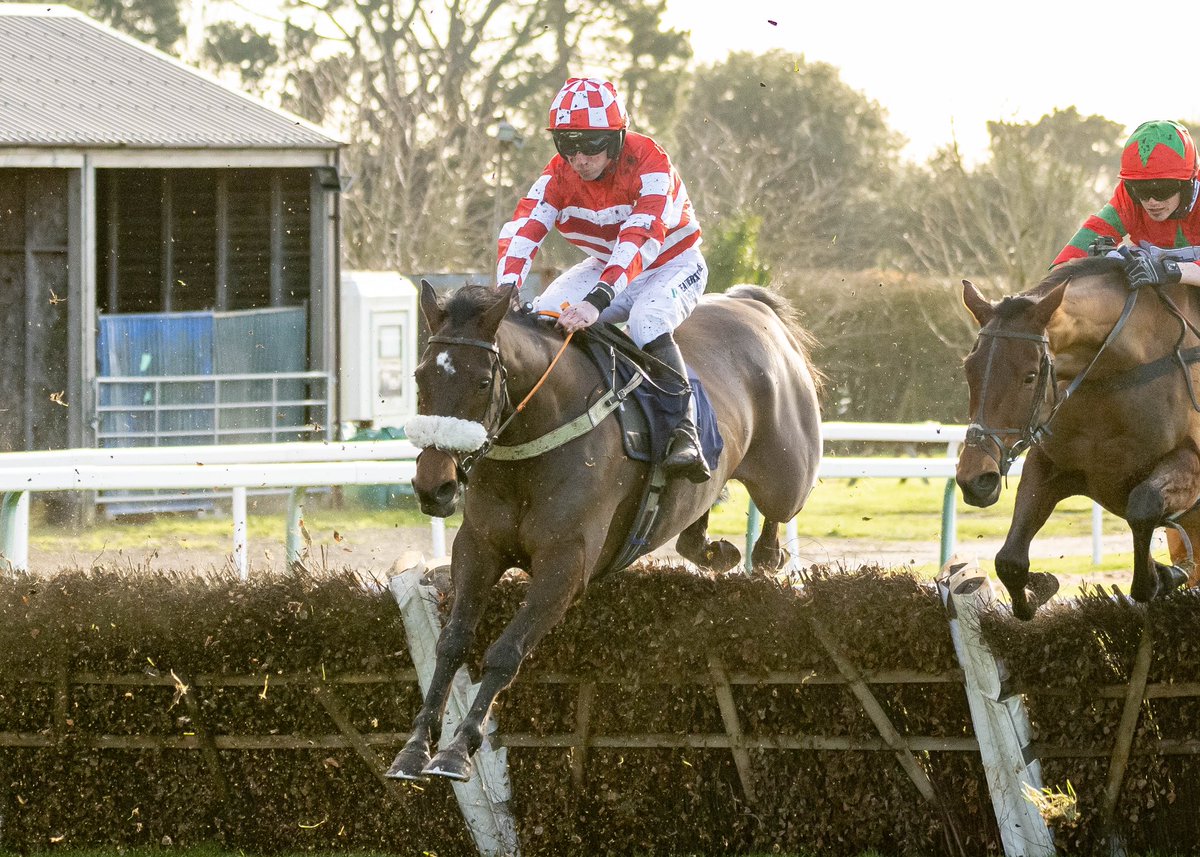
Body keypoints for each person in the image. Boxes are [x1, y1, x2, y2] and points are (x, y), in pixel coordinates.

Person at [496, 76, 711, 483]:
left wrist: (596, 301)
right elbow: (524, 229)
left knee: (648, 320)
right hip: (608, 264)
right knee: (544, 313)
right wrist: (506, 291)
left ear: (617, 138)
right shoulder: (557, 176)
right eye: (567, 144)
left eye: (591, 144)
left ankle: (684, 430)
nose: (579, 158)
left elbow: (640, 237)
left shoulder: (651, 162)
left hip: (672, 263)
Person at [1053, 119, 1200, 288]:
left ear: (1188, 183)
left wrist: (1167, 270)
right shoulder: (1127, 197)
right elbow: (1067, 260)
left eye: (1162, 189)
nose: (1151, 201)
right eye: (1141, 190)